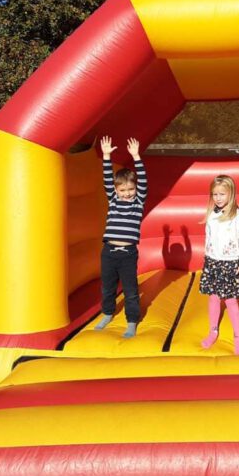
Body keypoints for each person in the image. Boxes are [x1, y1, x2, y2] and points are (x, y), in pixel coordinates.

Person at [95, 136, 147, 337]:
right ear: (116, 191)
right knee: (107, 287)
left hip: (127, 253)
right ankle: (108, 313)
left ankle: (132, 320)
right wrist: (107, 156)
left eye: (130, 189)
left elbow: (142, 179)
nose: (127, 193)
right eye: (123, 190)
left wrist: (136, 157)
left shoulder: (138, 201)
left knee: (130, 289)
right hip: (108, 252)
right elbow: (107, 179)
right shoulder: (114, 200)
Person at [199, 175, 239, 355]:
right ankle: (213, 331)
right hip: (213, 262)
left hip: (230, 263)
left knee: (230, 300)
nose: (218, 198)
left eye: (222, 194)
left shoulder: (238, 215)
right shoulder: (212, 213)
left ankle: (238, 337)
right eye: (215, 194)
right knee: (213, 297)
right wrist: (207, 257)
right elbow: (209, 236)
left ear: (231, 194)